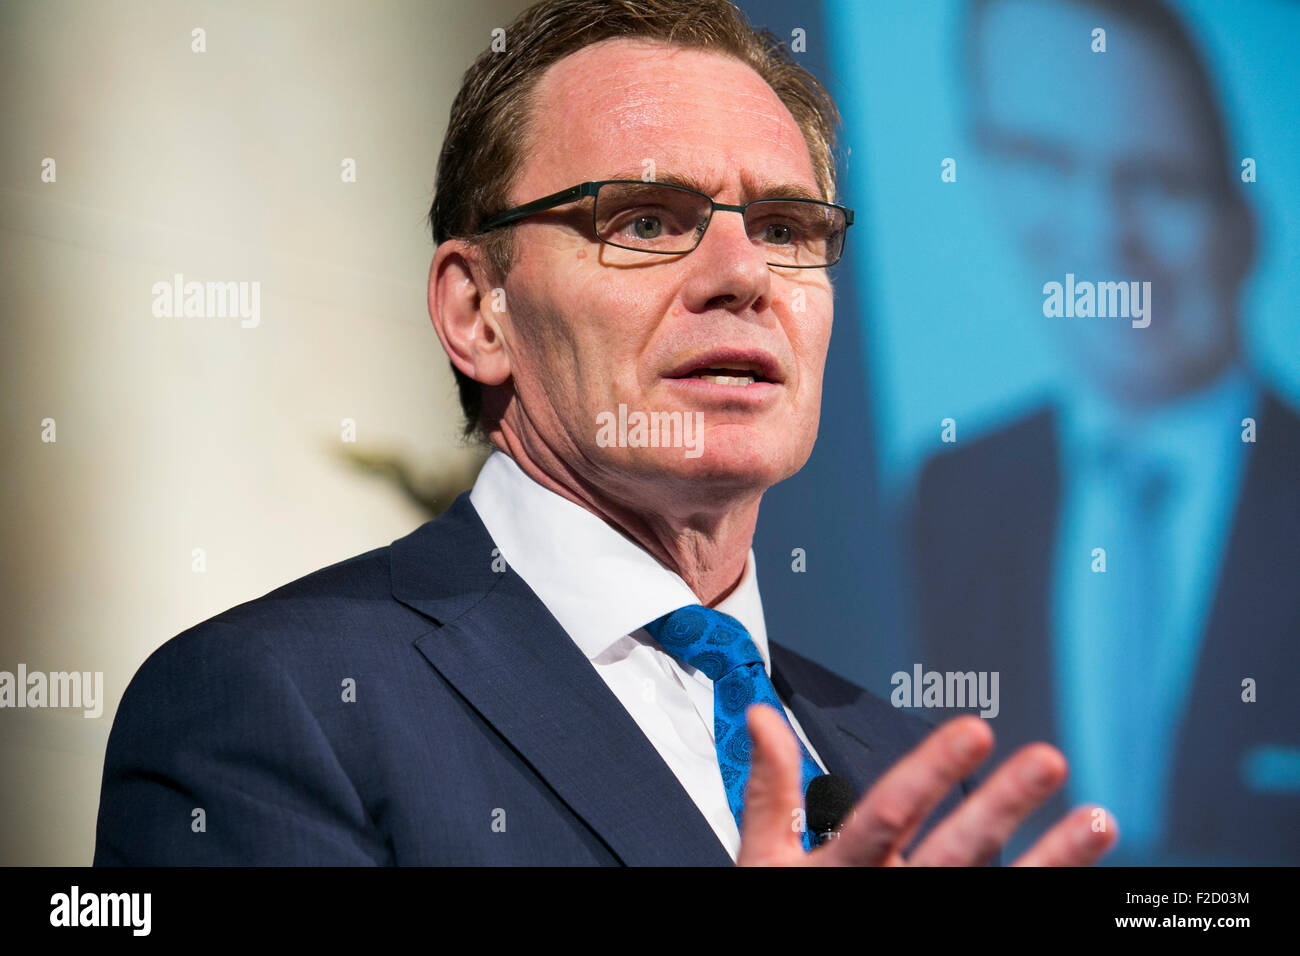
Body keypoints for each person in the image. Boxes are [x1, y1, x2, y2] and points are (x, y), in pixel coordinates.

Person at [94, 0, 1115, 866]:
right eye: (645, 220)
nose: (743, 275)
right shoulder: (278, 704)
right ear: (477, 311)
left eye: (786, 228)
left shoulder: (901, 769)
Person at [911, 0, 1300, 864]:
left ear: (1248, 221)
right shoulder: (952, 499)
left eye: (1157, 179)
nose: (1104, 238)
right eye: (1044, 162)